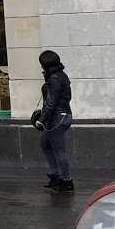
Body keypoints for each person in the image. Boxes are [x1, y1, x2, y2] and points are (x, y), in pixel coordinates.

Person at [33, 49, 74, 193]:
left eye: (41, 64)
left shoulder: (55, 78)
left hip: (57, 117)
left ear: (46, 64)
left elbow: (51, 102)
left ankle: (66, 181)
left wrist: (41, 120)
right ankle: (55, 175)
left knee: (59, 150)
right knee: (45, 144)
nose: (40, 66)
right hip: (62, 115)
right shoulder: (60, 75)